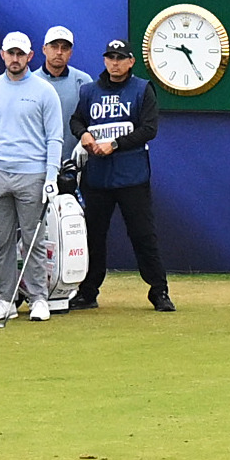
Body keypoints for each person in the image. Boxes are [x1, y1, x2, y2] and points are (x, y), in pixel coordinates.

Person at [0, 32, 65, 323]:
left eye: (21, 54)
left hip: (32, 175)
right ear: (2, 55)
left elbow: (54, 138)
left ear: (30, 56)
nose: (15, 59)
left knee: (34, 240)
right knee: (3, 241)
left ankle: (38, 299)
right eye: (11, 53)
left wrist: (51, 176)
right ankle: (6, 299)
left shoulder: (45, 90)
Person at [70, 39, 174, 312]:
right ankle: (88, 291)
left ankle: (159, 291)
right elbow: (76, 120)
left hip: (132, 177)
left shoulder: (142, 89)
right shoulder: (89, 91)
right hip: (97, 178)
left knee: (143, 235)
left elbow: (149, 129)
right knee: (93, 236)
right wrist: (84, 134)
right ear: (105, 60)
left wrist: (114, 144)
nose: (114, 63)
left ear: (131, 62)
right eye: (110, 57)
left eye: (120, 58)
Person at [35, 26, 97, 123]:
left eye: (64, 48)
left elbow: (92, 119)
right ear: (44, 49)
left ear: (70, 53)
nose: (59, 52)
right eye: (54, 47)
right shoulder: (31, 81)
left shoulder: (83, 81)